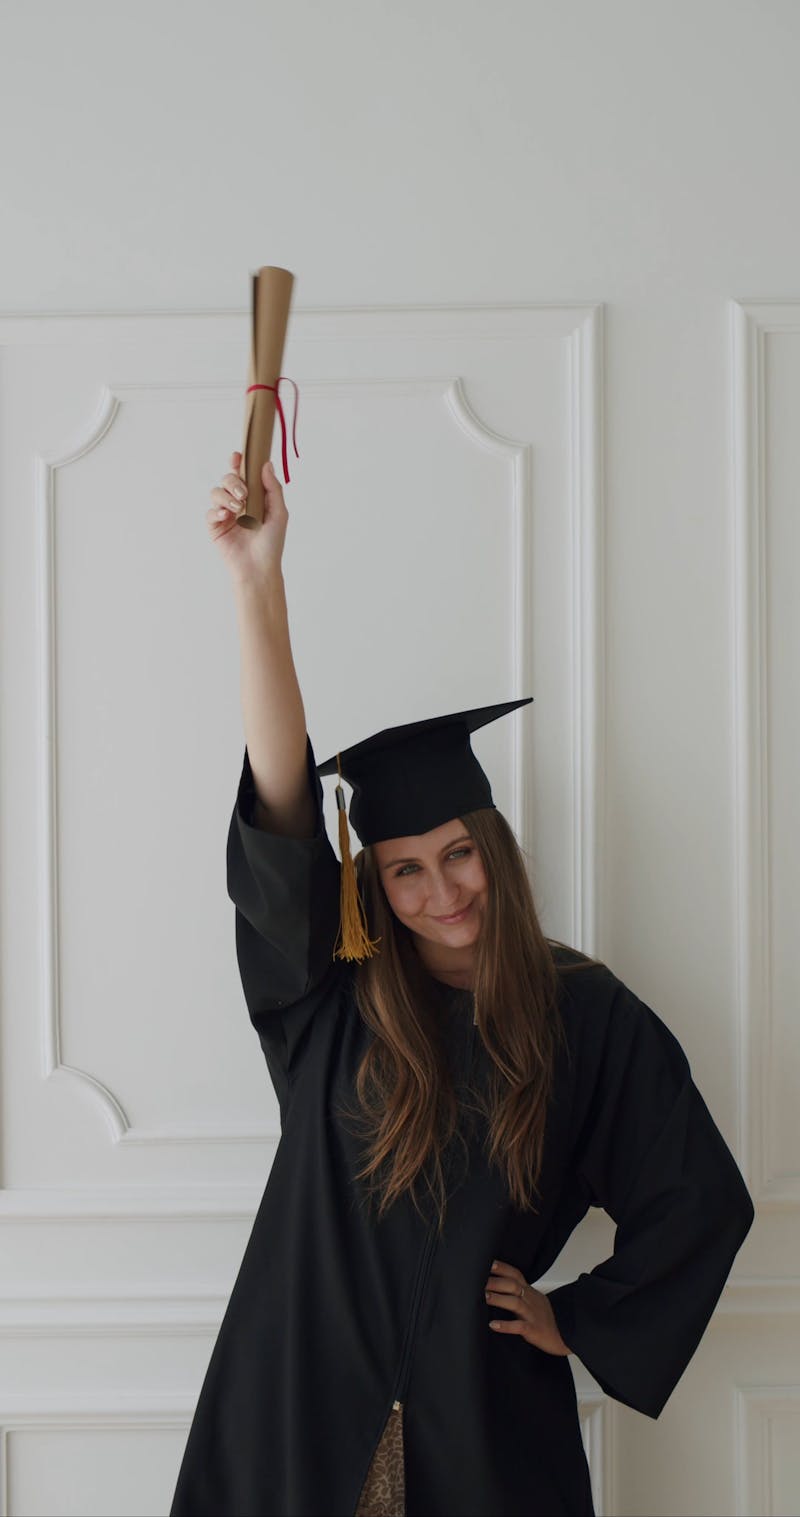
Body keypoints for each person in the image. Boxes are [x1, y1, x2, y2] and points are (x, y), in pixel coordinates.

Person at [169, 453, 755, 1517]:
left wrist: (574, 1316)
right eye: (404, 868)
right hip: (298, 1415)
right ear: (371, 882)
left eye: (458, 853)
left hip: (483, 1432)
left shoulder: (585, 1018)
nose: (441, 891)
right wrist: (258, 583)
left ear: (496, 848)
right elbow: (283, 800)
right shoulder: (329, 997)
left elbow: (698, 1198)